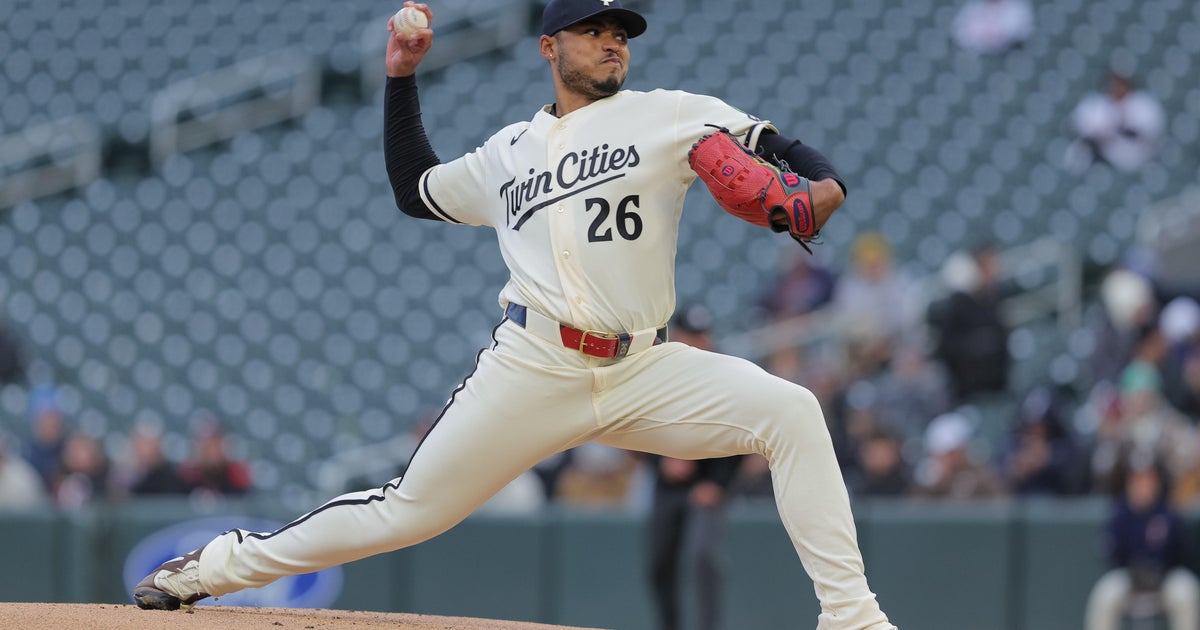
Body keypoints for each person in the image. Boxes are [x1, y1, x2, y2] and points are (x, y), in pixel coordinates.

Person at [132, 3, 894, 627]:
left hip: (644, 366)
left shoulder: (670, 113)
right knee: (404, 513)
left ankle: (852, 619)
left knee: (792, 412)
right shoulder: (508, 151)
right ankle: (215, 567)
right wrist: (401, 76)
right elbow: (416, 188)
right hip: (535, 365)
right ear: (549, 47)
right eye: (593, 30)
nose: (612, 42)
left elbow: (773, 144)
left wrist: (826, 181)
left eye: (620, 32)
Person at [645, 305, 741, 630]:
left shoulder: (725, 374)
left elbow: (739, 433)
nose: (700, 342)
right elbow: (636, 424)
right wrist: (662, 460)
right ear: (677, 335)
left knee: (704, 558)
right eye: (693, 335)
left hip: (706, 485)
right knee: (659, 563)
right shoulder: (658, 372)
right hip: (668, 485)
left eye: (704, 335)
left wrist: (718, 483)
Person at [1085, 463, 1200, 630]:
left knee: (1185, 592)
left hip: (1166, 578)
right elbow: (1112, 552)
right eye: (1138, 480)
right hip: (1129, 577)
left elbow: (1182, 552)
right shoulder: (1120, 514)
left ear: (1156, 483)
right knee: (1106, 594)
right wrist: (1135, 567)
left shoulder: (1168, 511)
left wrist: (1159, 565)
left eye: (1148, 480)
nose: (1143, 485)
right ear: (1129, 484)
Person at [1067, 71, 1165, 174]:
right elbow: (1083, 130)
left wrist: (1120, 129)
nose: (1117, 88)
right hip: (1102, 156)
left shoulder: (1143, 104)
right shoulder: (1097, 104)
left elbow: (1149, 133)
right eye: (1114, 84)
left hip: (1135, 157)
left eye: (1120, 84)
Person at [951, 0, 1034, 54]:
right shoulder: (973, 7)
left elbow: (1021, 33)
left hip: (1010, 56)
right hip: (978, 57)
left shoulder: (1017, 7)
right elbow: (960, 33)